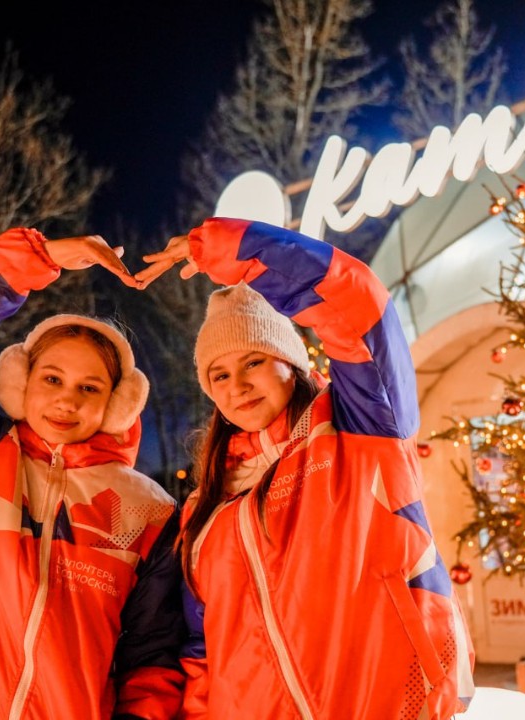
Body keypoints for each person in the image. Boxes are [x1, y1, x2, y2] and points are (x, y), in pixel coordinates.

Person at [135, 218, 477, 719]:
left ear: (290, 364)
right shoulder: (204, 511)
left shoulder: (359, 429)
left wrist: (236, 249)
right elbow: (199, 649)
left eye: (254, 361)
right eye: (219, 375)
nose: (238, 385)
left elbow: (358, 307)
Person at [0, 228, 185, 720]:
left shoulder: (148, 510)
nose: (67, 399)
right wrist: (35, 257)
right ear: (20, 380)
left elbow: (152, 658)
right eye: (52, 379)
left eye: (90, 387)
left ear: (116, 405)